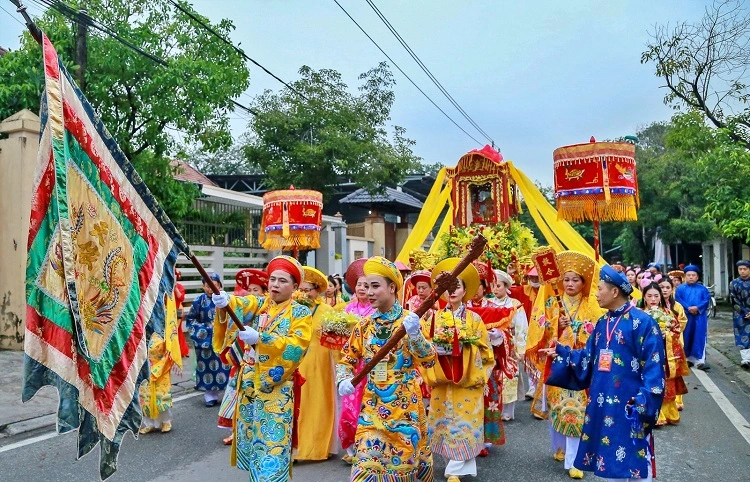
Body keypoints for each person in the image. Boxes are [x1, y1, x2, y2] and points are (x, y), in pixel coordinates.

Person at [541, 265, 666, 482]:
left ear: (615, 292)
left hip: (630, 404)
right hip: (603, 401)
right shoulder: (602, 322)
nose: (596, 294)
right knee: (610, 458)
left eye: (600, 289)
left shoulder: (643, 323)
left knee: (634, 457)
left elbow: (654, 367)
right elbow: (587, 358)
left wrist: (643, 401)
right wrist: (562, 353)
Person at [211, 256, 313, 482]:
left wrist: (262, 339)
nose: (275, 285)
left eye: (282, 281)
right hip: (249, 388)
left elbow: (296, 348)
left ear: (295, 287)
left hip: (276, 391)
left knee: (272, 449)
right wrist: (225, 301)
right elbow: (242, 304)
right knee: (254, 448)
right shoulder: (261, 304)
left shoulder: (301, 314)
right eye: (273, 279)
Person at [336, 256, 436, 482]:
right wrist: (343, 379)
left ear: (392, 287)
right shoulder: (364, 325)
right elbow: (346, 358)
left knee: (401, 470)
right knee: (364, 468)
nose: (369, 292)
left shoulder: (410, 321)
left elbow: (429, 360)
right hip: (372, 407)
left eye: (375, 286)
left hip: (404, 408)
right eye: (366, 286)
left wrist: (415, 335)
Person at [526, 251, 604, 480]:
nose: (570, 284)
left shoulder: (591, 305)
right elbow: (541, 326)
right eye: (567, 279)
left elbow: (595, 332)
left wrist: (578, 325)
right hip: (558, 361)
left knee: (577, 410)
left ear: (584, 282)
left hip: (580, 363)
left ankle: (574, 459)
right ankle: (560, 447)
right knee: (558, 408)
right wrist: (556, 325)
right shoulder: (552, 301)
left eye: (575, 279)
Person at [422, 258, 493, 482]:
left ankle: (455, 469)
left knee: (464, 421)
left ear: (465, 290)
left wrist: (465, 346)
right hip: (442, 379)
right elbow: (423, 348)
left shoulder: (474, 319)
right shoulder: (432, 318)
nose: (452, 291)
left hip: (467, 379)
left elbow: (486, 352)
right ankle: (453, 465)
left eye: (457, 286)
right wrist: (434, 349)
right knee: (443, 421)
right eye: (448, 287)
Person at [215, 269, 269, 444]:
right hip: (242, 357)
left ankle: (254, 430)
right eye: (250, 290)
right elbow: (240, 305)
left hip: (261, 358)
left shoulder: (268, 307)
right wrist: (227, 302)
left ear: (264, 291)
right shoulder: (250, 305)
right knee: (236, 394)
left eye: (256, 290)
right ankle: (236, 430)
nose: (253, 293)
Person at [295, 266, 340, 461]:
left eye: (309, 290)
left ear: (317, 290)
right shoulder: (293, 308)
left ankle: (320, 447)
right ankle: (298, 448)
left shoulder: (327, 311)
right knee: (299, 404)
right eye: (302, 290)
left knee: (320, 403)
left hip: (321, 362)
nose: (305, 294)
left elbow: (336, 339)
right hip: (297, 361)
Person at [638, 282, 689, 426]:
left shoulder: (667, 313)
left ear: (660, 297)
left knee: (666, 382)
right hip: (645, 354)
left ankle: (667, 413)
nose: (653, 299)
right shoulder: (638, 313)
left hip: (664, 354)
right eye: (649, 296)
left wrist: (665, 333)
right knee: (646, 381)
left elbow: (676, 330)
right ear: (644, 297)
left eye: (656, 295)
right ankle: (651, 413)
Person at [339, 258, 374, 464]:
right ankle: (352, 450)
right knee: (348, 409)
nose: (363, 288)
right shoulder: (347, 309)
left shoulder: (377, 311)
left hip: (369, 367)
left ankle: (366, 449)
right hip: (351, 365)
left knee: (366, 408)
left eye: (368, 285)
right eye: (360, 284)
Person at [139, 290, 183, 434]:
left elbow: (170, 346)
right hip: (144, 364)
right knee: (145, 396)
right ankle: (149, 423)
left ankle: (166, 421)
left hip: (161, 363)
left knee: (161, 395)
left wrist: (161, 365)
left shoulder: (164, 325)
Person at [185, 273, 230, 407]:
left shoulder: (226, 299)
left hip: (223, 339)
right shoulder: (198, 301)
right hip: (205, 342)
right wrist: (207, 329)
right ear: (203, 287)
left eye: (214, 285)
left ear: (220, 286)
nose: (211, 289)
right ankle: (210, 395)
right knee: (207, 369)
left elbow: (234, 316)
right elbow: (191, 320)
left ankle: (228, 395)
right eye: (207, 286)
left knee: (226, 365)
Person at [492, 270, 528, 422]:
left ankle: (508, 411)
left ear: (506, 286)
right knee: (494, 376)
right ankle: (494, 407)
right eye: (493, 285)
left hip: (510, 345)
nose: (495, 289)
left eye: (498, 285)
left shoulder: (515, 304)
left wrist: (521, 348)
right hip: (493, 344)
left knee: (510, 376)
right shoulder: (489, 303)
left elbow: (521, 327)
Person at [674, 265, 711, 369]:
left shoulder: (703, 289)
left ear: (697, 277)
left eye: (693, 275)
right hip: (686, 316)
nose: (691, 277)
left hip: (700, 317)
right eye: (688, 275)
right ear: (685, 276)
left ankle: (700, 360)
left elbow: (706, 300)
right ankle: (687, 358)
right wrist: (688, 308)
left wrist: (697, 308)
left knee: (699, 336)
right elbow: (678, 300)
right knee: (686, 335)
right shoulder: (680, 289)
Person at [730, 260, 750, 368]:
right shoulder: (734, 283)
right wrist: (744, 312)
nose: (742, 271)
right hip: (740, 313)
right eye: (740, 269)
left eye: (745, 269)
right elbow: (734, 300)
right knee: (742, 335)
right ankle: (745, 359)